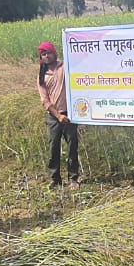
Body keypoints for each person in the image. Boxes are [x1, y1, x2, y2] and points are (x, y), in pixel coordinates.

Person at [37, 41, 79, 188]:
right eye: (43, 54)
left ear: (54, 53)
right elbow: (45, 101)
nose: (46, 56)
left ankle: (73, 179)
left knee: (72, 147)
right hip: (53, 117)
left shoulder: (65, 67)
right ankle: (55, 179)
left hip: (70, 115)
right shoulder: (42, 75)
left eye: (48, 52)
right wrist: (58, 116)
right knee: (53, 147)